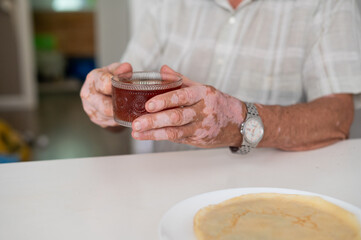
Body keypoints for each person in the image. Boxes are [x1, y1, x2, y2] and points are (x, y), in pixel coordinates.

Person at [81, 0, 361, 154]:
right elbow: (125, 107)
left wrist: (239, 120)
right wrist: (104, 104)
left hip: (269, 193)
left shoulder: (328, 4)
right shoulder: (165, 5)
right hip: (164, 186)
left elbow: (337, 117)